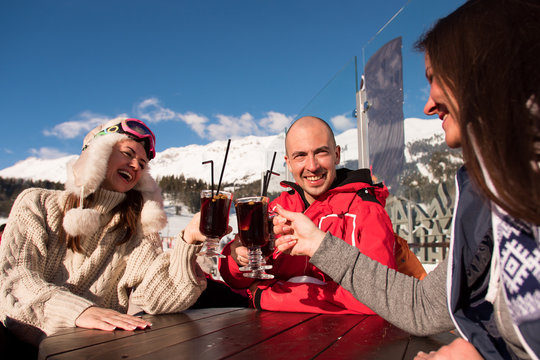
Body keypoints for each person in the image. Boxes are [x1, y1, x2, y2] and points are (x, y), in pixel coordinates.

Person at [273, 0, 540, 359]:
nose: (428, 105)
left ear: (489, 73)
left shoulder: (369, 206)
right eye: (300, 156)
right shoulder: (492, 193)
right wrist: (318, 244)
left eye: (436, 79)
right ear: (287, 164)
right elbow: (424, 308)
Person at [0, 118, 208, 356]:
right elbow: (13, 279)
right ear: (98, 152)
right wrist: (77, 311)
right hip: (20, 346)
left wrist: (189, 241)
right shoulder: (37, 203)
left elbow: (155, 299)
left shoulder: (136, 227)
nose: (136, 165)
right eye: (128, 153)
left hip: (96, 350)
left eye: (142, 163)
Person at [219, 116, 405, 314]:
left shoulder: (366, 210)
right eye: (300, 156)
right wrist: (238, 260)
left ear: (337, 154)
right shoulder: (277, 208)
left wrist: (268, 297)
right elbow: (234, 279)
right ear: (288, 163)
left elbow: (381, 295)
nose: (312, 166)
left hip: (348, 339)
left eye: (321, 152)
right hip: (272, 338)